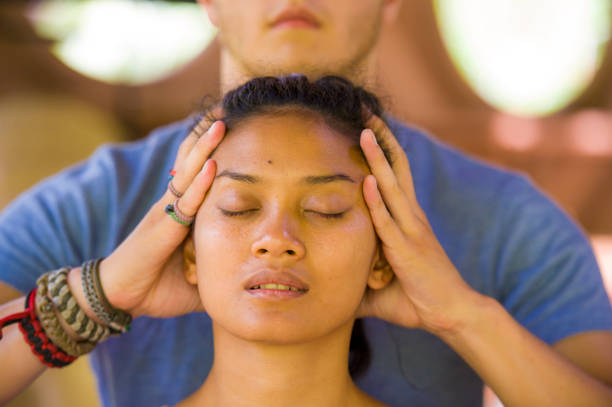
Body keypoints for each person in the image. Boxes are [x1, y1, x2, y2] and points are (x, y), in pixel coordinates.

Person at [0, 0, 611, 406]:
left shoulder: (508, 217)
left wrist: (458, 313)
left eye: (328, 211)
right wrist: (96, 296)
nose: (276, 238)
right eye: (237, 206)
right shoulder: (90, 201)